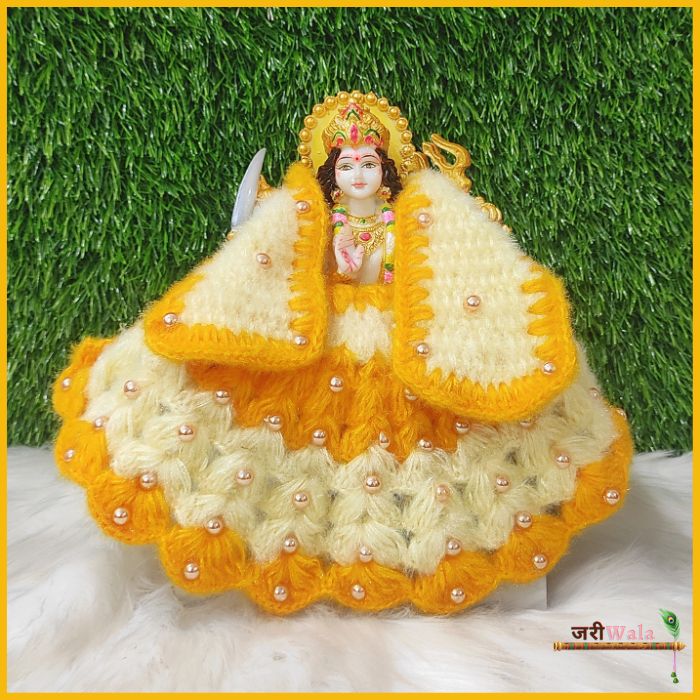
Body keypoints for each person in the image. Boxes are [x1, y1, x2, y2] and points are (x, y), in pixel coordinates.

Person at [52, 90, 633, 614]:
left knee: (428, 418)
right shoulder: (313, 217)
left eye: (369, 163)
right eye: (348, 164)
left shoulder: (406, 220)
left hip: (398, 327)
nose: (359, 173)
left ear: (386, 171)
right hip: (322, 329)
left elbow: (428, 264)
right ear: (333, 174)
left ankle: (450, 536)